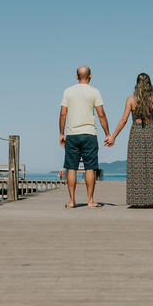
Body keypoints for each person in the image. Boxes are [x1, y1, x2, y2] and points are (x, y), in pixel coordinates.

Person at [106, 73, 153, 208]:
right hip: (150, 131)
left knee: (135, 166)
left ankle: (136, 202)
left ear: (137, 84)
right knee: (151, 166)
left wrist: (113, 136)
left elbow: (124, 120)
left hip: (136, 131)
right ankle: (150, 201)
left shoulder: (131, 100)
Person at [59, 65, 111, 208]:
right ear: (90, 76)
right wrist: (107, 133)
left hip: (72, 134)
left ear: (76, 76)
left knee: (71, 168)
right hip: (89, 134)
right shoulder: (94, 92)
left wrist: (61, 133)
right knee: (90, 167)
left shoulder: (68, 91)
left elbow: (63, 114)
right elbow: (101, 115)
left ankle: (71, 201)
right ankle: (90, 201)